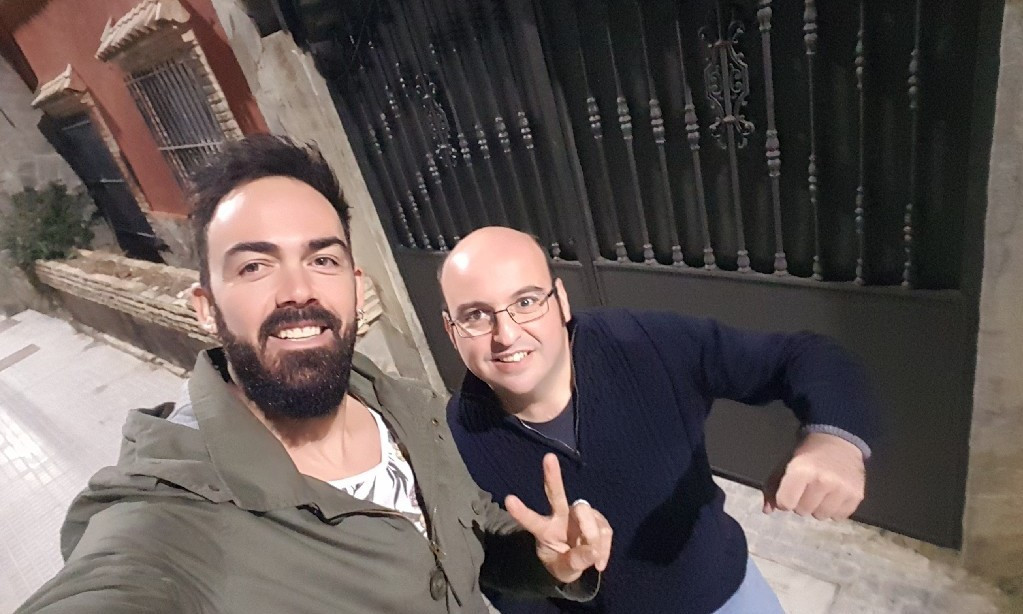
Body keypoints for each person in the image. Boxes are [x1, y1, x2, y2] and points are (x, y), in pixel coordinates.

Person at [16, 137, 612, 614]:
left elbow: (471, 528)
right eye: (255, 266)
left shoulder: (412, 410)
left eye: (322, 259)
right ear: (205, 307)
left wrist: (545, 561)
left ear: (354, 286)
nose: (298, 290)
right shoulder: (170, 515)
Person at [440, 227, 877, 614]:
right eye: (475, 315)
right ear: (450, 330)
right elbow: (491, 570)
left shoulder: (644, 344)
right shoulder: (453, 439)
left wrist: (834, 439)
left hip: (727, 597)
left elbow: (799, 356)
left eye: (526, 301)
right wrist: (549, 571)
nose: (506, 333)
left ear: (561, 301)